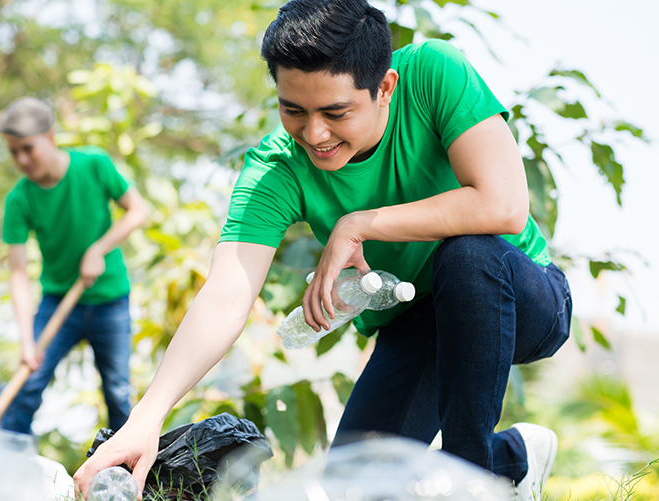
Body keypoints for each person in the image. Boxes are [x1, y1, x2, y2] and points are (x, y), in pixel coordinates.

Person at [73, 0, 572, 499]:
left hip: (520, 294)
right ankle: (514, 458)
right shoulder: (276, 169)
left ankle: (474, 483)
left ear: (384, 88)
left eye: (336, 112)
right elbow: (227, 293)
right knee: (352, 489)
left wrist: (357, 225)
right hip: (417, 325)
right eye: (293, 110)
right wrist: (145, 417)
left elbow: (502, 204)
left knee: (466, 256)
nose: (315, 134)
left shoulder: (433, 72)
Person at [0, 97, 148, 435]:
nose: (21, 159)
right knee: (27, 388)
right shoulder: (19, 200)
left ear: (50, 137)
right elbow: (18, 273)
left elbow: (138, 211)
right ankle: (7, 467)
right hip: (57, 304)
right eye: (13, 152)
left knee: (118, 394)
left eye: (27, 148)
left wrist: (98, 248)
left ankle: (124, 479)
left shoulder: (93, 165)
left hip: (110, 300)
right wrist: (26, 341)